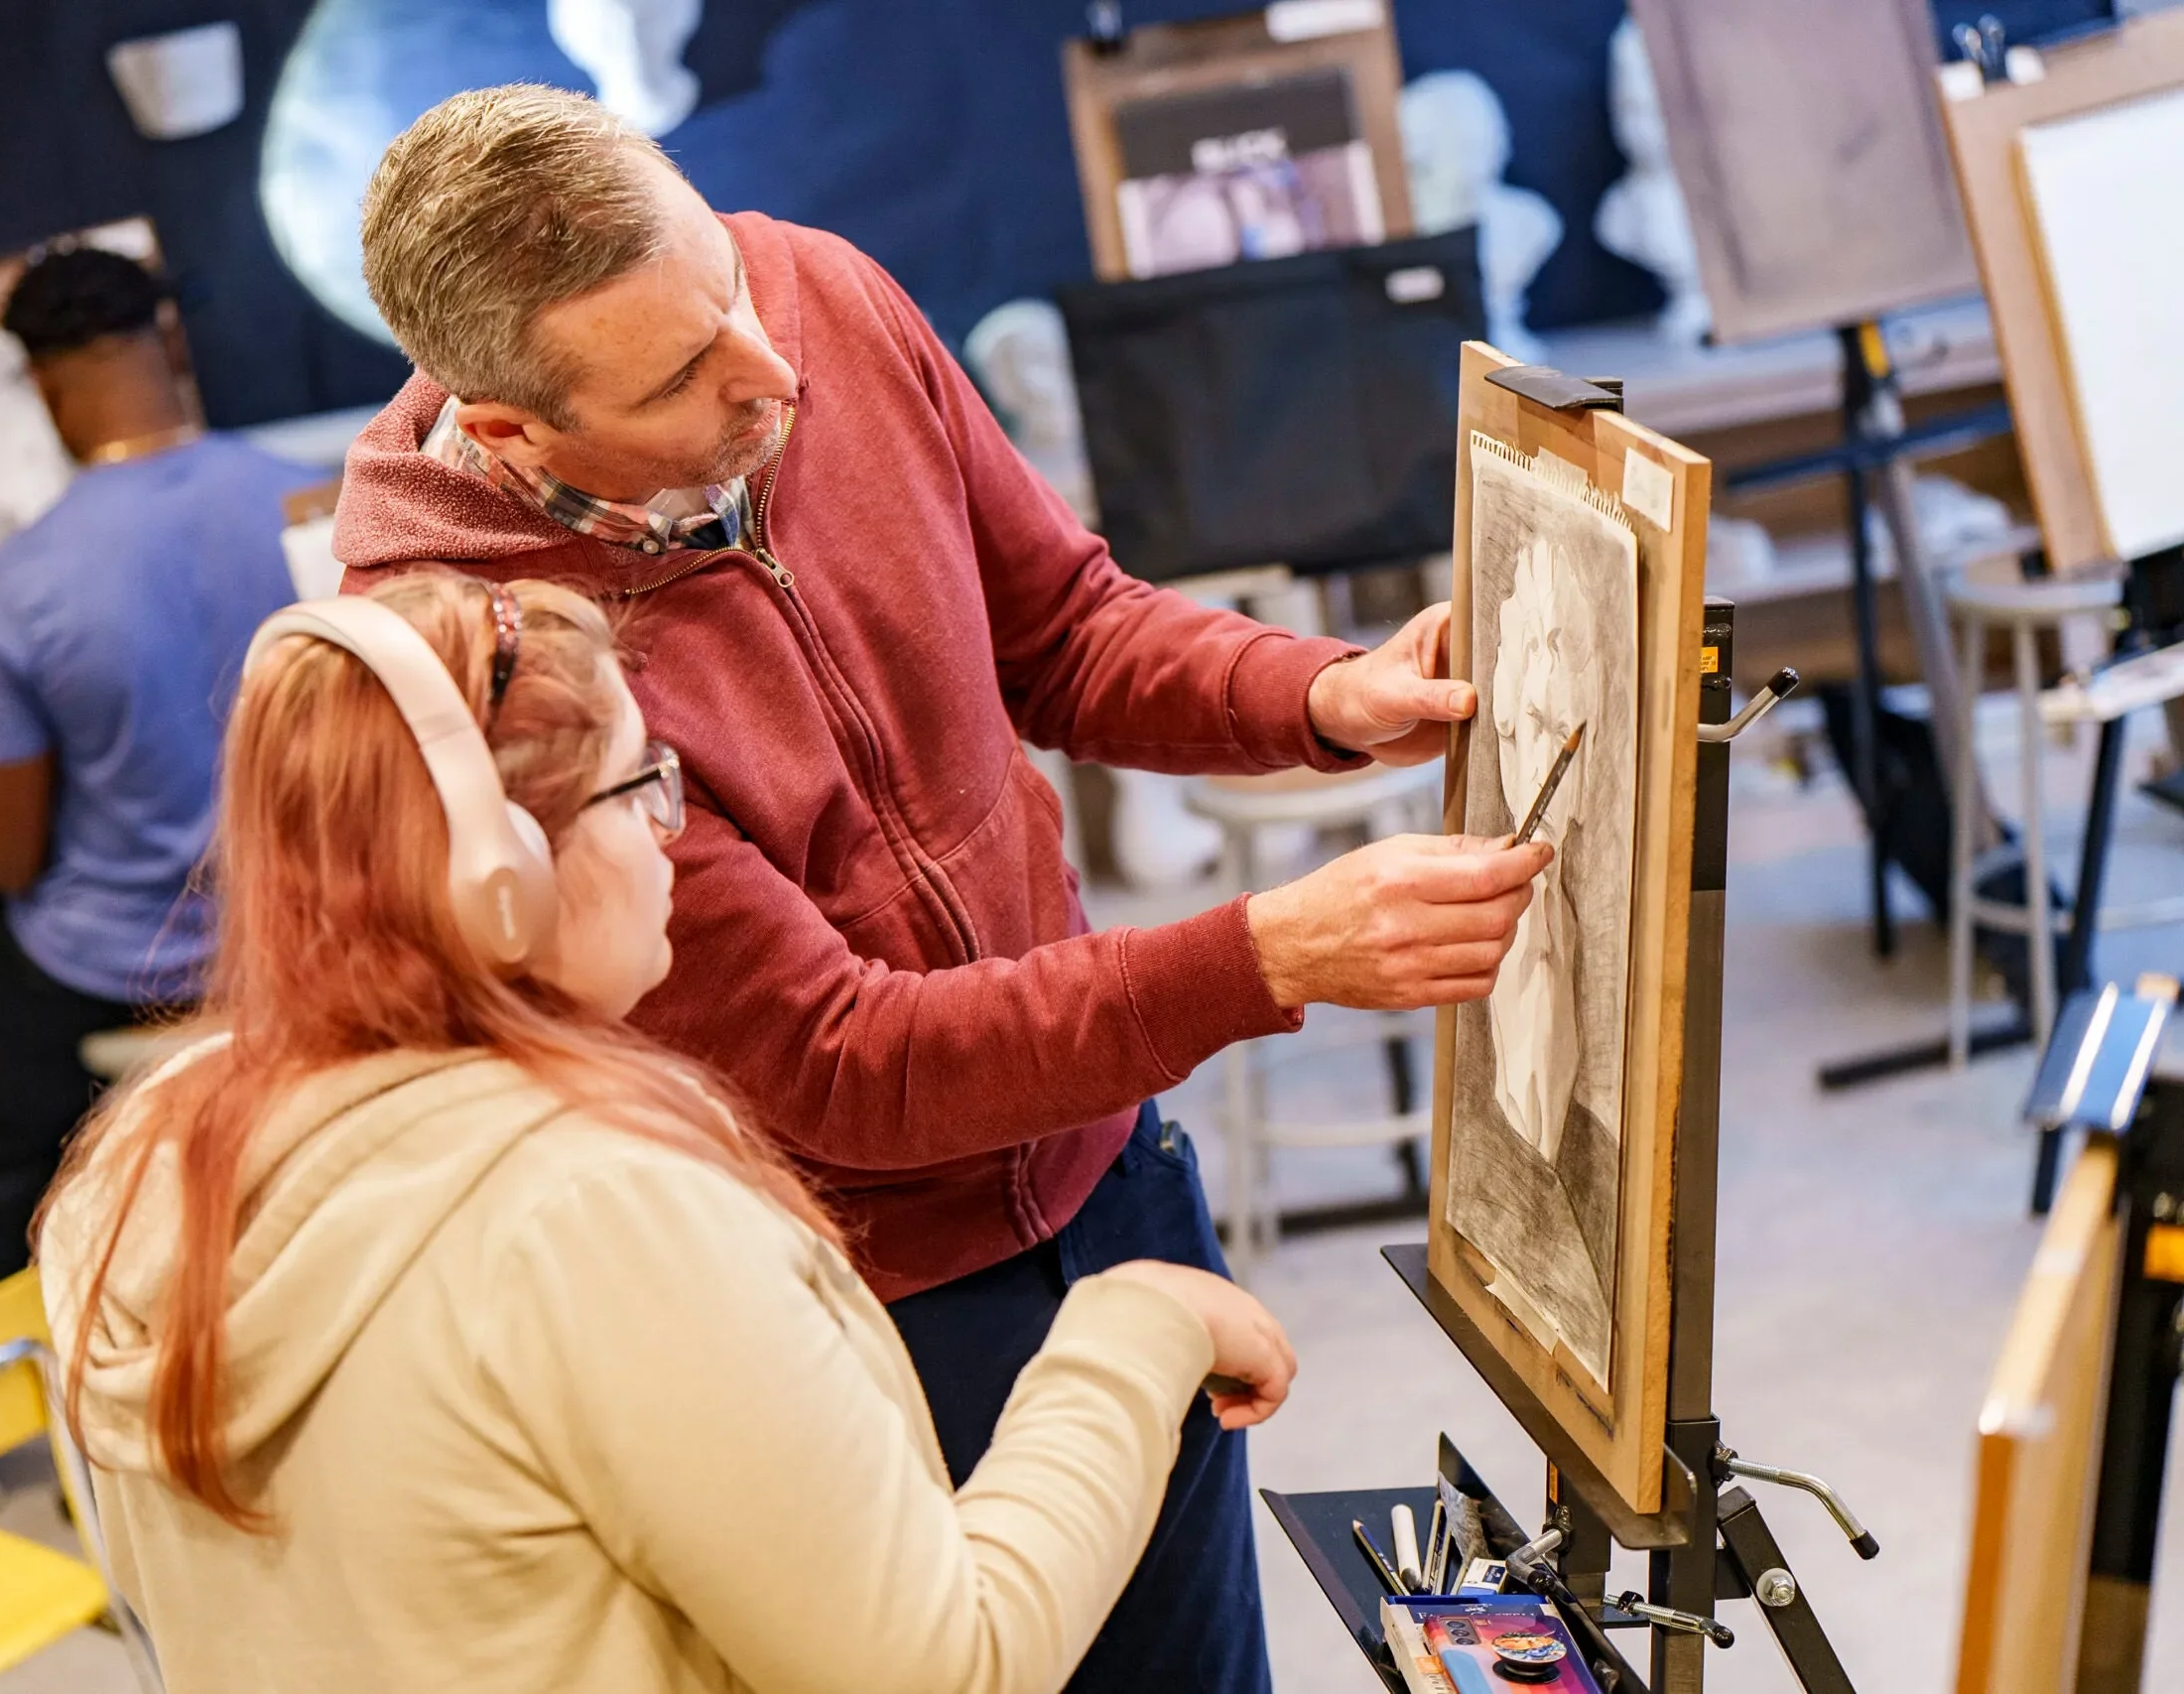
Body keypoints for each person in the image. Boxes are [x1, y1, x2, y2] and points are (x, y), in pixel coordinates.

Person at [335, 86, 1550, 1689]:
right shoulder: (487, 665)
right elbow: (847, 1059)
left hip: (1108, 1166)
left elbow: (1064, 628)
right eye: (685, 376)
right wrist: (1260, 957)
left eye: (732, 290)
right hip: (868, 1295)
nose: (772, 370)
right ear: (512, 434)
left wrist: (1319, 692)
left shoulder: (817, 292)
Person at [37, 572, 1299, 1694]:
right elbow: (942, 1662)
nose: (669, 835)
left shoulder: (148, 1153)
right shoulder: (591, 1214)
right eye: (641, 785)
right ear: (503, 877)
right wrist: (1134, 1328)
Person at [0, 245, 302, 1326]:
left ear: (42, 390)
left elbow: (10, 856)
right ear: (170, 341)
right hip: (301, 932)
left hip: (114, 965)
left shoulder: (15, 586)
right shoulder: (313, 504)